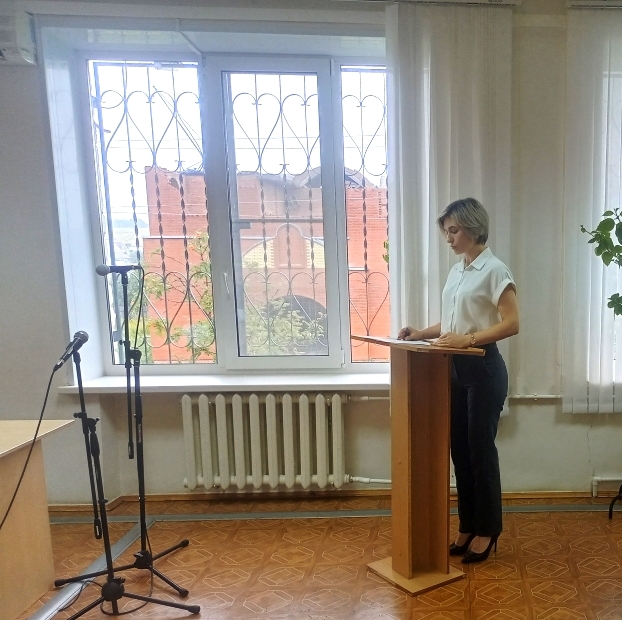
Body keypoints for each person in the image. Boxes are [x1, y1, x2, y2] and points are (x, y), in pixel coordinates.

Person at [397, 198, 519, 564]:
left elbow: (512, 323)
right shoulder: (457, 271)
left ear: (473, 228)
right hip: (453, 370)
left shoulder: (494, 269)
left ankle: (488, 529)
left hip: (484, 369)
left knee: (480, 452)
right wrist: (421, 333)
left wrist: (468, 339)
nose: (448, 238)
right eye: (446, 232)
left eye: (454, 231)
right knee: (460, 453)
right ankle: (468, 525)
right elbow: (452, 323)